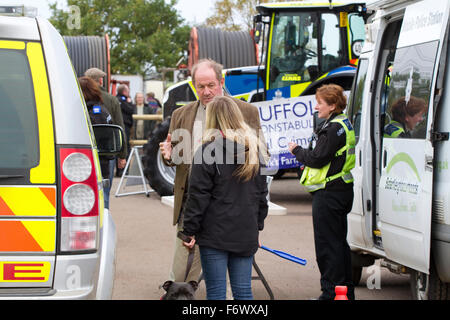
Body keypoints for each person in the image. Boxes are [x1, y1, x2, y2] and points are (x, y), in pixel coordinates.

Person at [159, 59, 266, 284]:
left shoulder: (247, 111)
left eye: (211, 85)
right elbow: (175, 157)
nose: (206, 92)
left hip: (229, 206)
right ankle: (176, 293)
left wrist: (257, 214)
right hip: (192, 203)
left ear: (221, 81)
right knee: (182, 271)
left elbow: (260, 158)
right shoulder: (181, 115)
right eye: (200, 86)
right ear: (193, 85)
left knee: (227, 278)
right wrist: (168, 157)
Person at [179, 96, 268, 300]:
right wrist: (258, 227)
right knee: (244, 292)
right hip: (245, 231)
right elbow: (262, 196)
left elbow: (198, 196)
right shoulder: (254, 152)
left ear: (213, 119)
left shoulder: (207, 151)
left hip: (215, 234)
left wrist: (189, 231)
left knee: (217, 293)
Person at [288, 84, 356, 300]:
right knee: (339, 245)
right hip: (341, 190)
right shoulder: (342, 123)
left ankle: (330, 294)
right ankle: (345, 294)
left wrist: (296, 151)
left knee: (328, 248)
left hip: (329, 194)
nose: (316, 107)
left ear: (333, 105)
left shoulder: (331, 129)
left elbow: (317, 158)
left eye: (320, 103)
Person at [84, 68, 127, 208]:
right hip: (107, 152)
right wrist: (122, 154)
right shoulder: (110, 99)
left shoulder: (78, 97)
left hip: (86, 152)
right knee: (105, 194)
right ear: (101, 80)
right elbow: (119, 127)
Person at [78, 76, 113, 182]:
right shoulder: (99, 109)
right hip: (100, 164)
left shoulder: (95, 113)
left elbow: (94, 139)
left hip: (95, 165)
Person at [116, 84, 135, 176]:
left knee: (120, 146)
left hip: (120, 126)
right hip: (124, 126)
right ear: (124, 92)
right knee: (124, 147)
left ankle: (121, 170)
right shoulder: (122, 100)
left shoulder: (117, 99)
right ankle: (123, 171)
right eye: (128, 91)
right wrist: (130, 102)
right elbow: (131, 110)